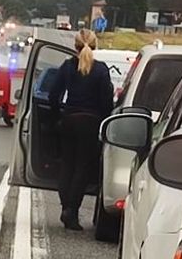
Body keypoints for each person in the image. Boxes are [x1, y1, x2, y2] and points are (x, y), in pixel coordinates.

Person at [48, 29, 114, 231]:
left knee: (67, 165)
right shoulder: (101, 70)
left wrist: (59, 115)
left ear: (75, 46)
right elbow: (107, 101)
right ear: (94, 46)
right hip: (90, 123)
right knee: (82, 168)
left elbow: (53, 95)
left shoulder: (67, 66)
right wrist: (104, 121)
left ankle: (65, 206)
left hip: (69, 121)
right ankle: (72, 211)